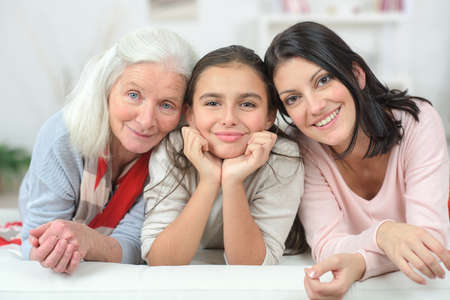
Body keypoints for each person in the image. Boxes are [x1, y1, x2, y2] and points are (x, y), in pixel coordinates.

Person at [264, 21, 450, 299]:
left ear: (356, 74)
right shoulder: (301, 146)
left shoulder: (417, 121)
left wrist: (362, 262)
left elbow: (429, 245)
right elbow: (326, 246)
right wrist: (384, 234)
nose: (314, 107)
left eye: (323, 80)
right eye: (293, 99)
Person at [19, 27, 196, 274]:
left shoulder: (173, 155)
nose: (146, 120)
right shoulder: (61, 139)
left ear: (183, 113)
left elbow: (136, 246)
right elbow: (31, 241)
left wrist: (89, 241)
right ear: (108, 89)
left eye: (167, 105)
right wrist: (50, 248)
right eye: (134, 95)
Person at [141, 45, 304, 266]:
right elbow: (161, 261)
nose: (228, 118)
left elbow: (250, 266)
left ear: (269, 116)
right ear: (189, 114)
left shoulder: (283, 156)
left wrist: (233, 181)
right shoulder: (173, 148)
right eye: (212, 103)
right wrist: (209, 180)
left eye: (247, 104)